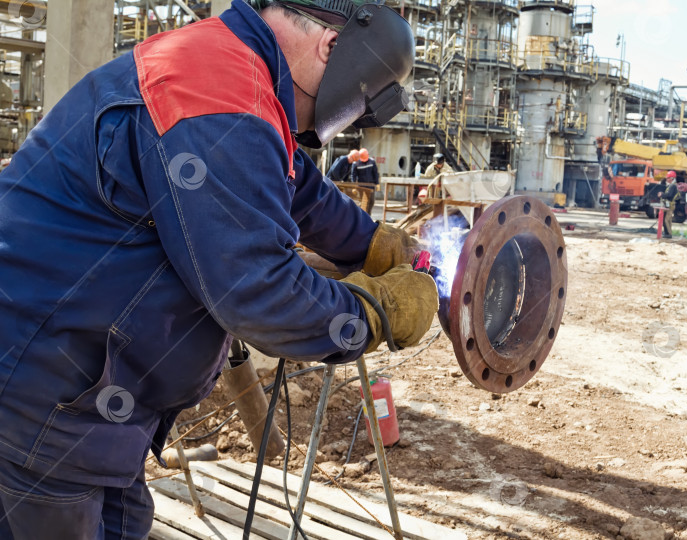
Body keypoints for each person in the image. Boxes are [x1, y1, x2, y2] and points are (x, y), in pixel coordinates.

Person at [0, 1, 438, 537]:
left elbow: (297, 185)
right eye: (356, 106)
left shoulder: (235, 72)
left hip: (90, 409)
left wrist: (371, 243)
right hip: (37, 405)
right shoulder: (218, 93)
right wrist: (376, 311)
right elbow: (256, 289)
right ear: (331, 48)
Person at [660, 170, 679, 239]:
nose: (666, 179)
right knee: (667, 219)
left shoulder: (673, 186)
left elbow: (669, 195)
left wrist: (662, 194)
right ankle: (667, 233)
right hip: (669, 205)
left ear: (672, 178)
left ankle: (668, 234)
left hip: (670, 206)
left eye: (668, 178)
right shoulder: (671, 186)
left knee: (666, 220)